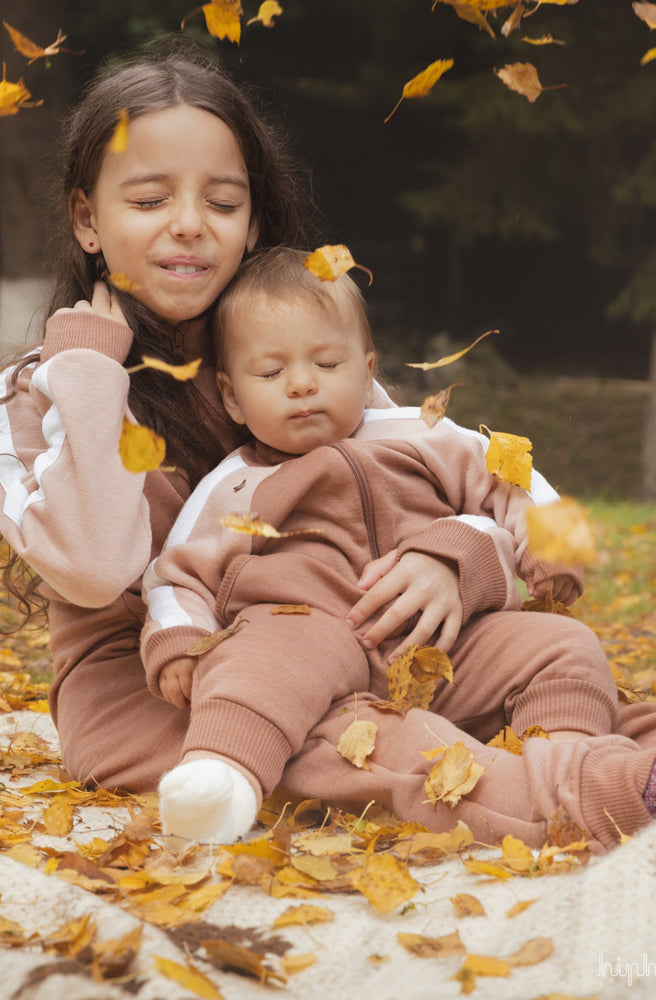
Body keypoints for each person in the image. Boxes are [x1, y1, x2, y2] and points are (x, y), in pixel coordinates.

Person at [0, 43, 529, 821]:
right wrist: (93, 381)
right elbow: (91, 567)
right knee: (352, 740)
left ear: (251, 224)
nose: (189, 226)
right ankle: (597, 794)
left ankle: (639, 758)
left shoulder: (291, 360)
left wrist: (452, 559)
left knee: (529, 667)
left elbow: (435, 478)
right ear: (88, 219)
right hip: (154, 691)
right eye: (149, 201)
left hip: (333, 647)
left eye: (222, 202)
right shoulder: (40, 391)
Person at [142, 246, 656, 850]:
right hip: (307, 640)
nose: (302, 384)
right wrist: (178, 642)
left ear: (367, 366)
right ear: (230, 396)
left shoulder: (418, 435)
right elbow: (177, 577)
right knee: (254, 666)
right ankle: (220, 780)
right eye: (271, 374)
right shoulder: (236, 483)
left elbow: (512, 478)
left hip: (446, 642)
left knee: (563, 645)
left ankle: (567, 758)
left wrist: (553, 546)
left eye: (328, 363)